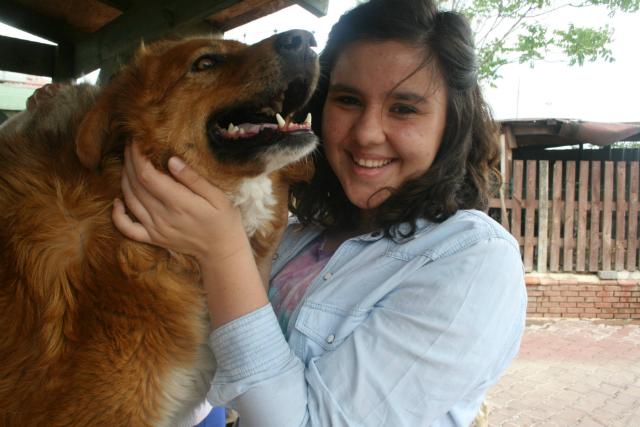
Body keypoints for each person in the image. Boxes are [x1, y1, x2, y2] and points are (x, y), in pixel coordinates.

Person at [91, 0, 526, 425]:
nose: (367, 133)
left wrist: (223, 251)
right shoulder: (301, 237)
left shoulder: (473, 259)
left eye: (404, 108)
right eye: (349, 100)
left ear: (451, 122)